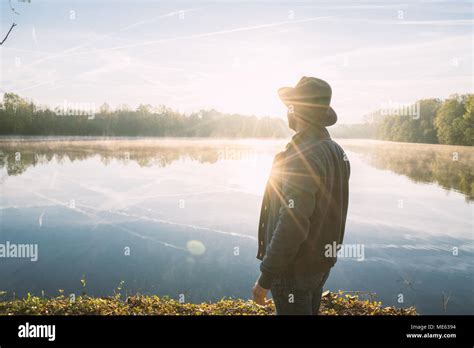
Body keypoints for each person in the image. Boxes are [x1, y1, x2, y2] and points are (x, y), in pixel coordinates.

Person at [252, 76, 351, 315]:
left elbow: (292, 222)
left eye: (291, 106)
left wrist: (266, 277)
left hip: (293, 269)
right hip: (319, 263)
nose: (287, 112)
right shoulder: (337, 151)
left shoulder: (301, 156)